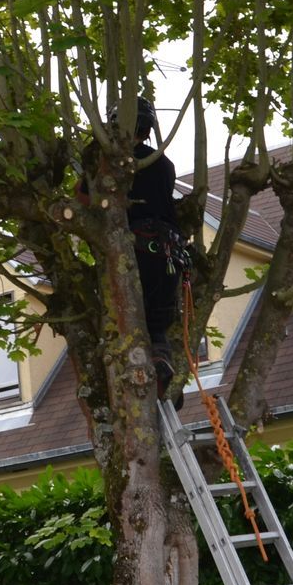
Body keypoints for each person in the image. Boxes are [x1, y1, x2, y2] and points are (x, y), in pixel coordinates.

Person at [115, 97, 192, 400]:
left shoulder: (113, 163)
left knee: (128, 320)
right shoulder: (164, 163)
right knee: (157, 322)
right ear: (147, 131)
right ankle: (161, 362)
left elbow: (83, 196)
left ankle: (143, 375)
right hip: (168, 254)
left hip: (137, 251)